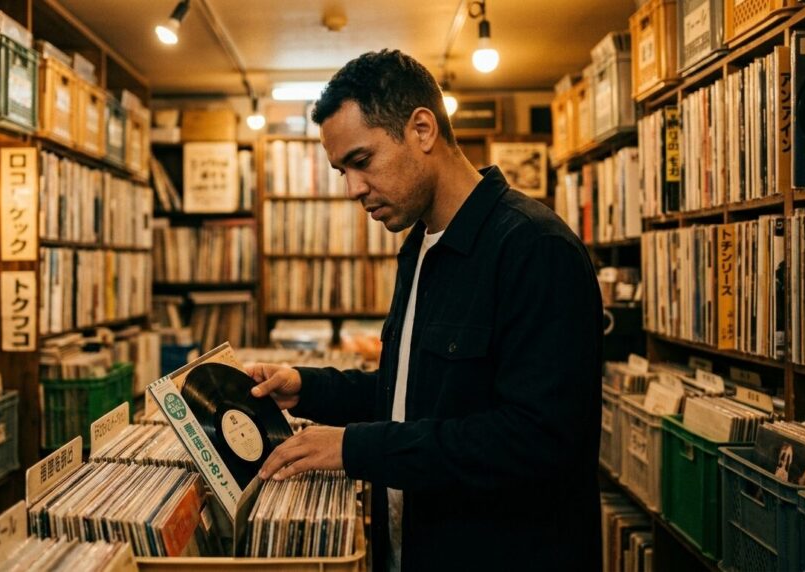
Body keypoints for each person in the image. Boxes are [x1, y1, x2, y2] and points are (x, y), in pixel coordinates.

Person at [246, 49, 602, 571]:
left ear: (422, 129)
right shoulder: (418, 245)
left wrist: (355, 449)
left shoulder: (535, 247)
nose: (352, 189)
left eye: (362, 161)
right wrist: (309, 387)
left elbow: (537, 440)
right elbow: (415, 393)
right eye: (341, 170)